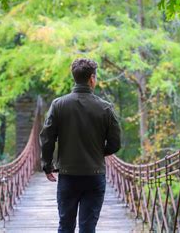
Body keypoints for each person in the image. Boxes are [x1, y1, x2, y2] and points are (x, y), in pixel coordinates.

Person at [39, 58, 122, 233]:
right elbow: (115, 144)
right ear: (92, 78)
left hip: (68, 176)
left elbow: (47, 138)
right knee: (88, 228)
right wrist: (98, 153)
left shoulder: (58, 105)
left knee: (66, 226)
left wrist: (47, 165)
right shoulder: (105, 108)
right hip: (94, 175)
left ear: (74, 77)